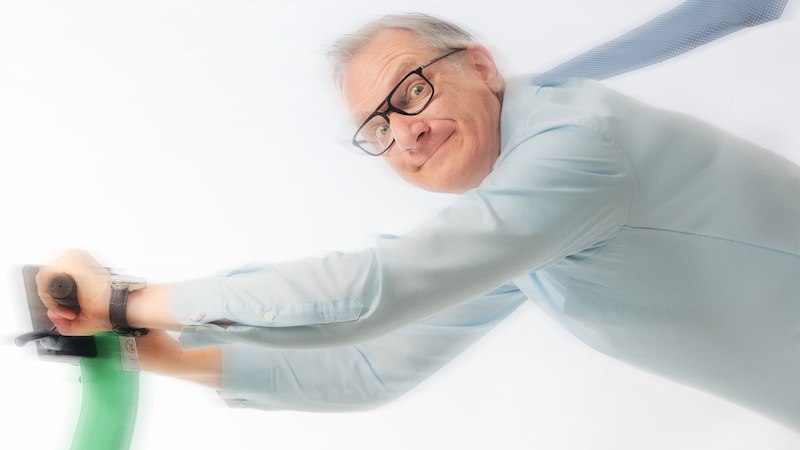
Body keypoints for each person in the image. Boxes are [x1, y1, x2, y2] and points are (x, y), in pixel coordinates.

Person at [36, 5, 799, 430]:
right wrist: (151, 347)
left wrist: (129, 299)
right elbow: (369, 365)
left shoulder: (575, 154)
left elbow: (375, 292)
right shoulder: (527, 225)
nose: (406, 132)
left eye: (411, 92)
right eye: (379, 126)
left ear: (482, 67)